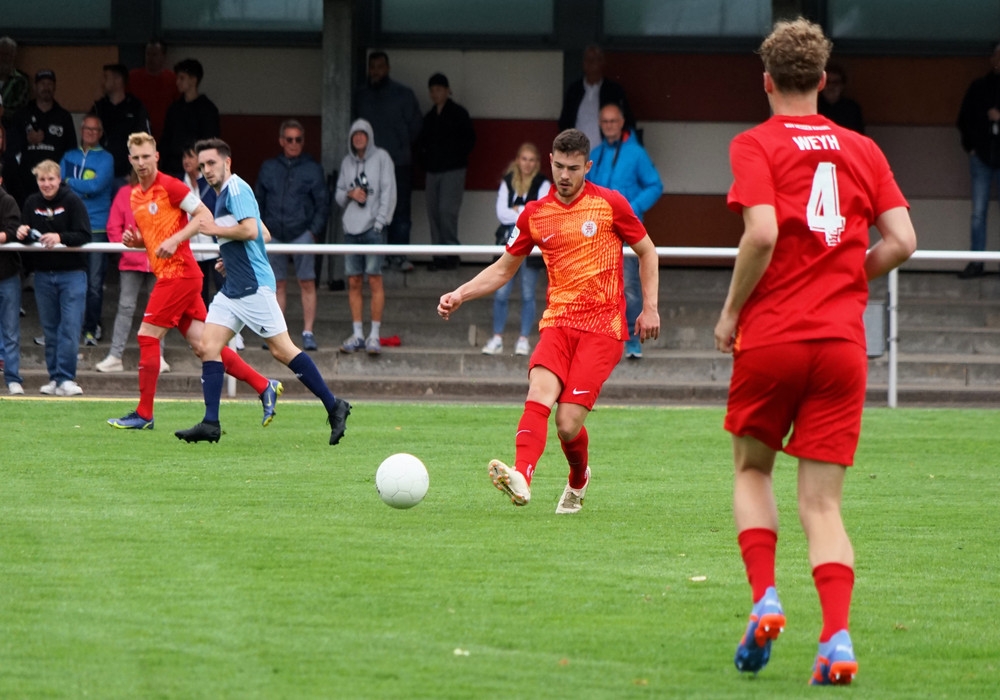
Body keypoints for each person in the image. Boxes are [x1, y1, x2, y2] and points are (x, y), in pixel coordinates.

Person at [713, 18, 917, 686]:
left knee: (752, 471)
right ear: (824, 81)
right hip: (840, 345)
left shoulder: (755, 143)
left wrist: (731, 311)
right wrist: (850, 275)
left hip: (773, 337)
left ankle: (766, 598)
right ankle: (835, 638)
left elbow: (762, 234)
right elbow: (903, 240)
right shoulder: (862, 148)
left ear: (766, 82)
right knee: (824, 505)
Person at [437, 129, 660, 514]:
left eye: (574, 168)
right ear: (551, 162)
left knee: (567, 424)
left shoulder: (610, 204)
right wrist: (460, 293)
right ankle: (522, 475)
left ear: (588, 167)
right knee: (539, 392)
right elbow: (503, 269)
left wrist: (650, 307)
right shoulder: (535, 214)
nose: (565, 175)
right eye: (559, 167)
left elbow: (647, 251)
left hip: (603, 328)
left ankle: (578, 477)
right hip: (557, 323)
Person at [174, 138, 352, 446]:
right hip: (234, 287)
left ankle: (334, 405)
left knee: (282, 350)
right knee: (207, 346)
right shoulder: (224, 193)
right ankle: (211, 423)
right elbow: (263, 233)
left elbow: (252, 231)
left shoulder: (236, 189)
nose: (206, 170)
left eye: (212, 163)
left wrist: (216, 232)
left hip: (254, 286)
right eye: (202, 166)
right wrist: (230, 256)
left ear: (227, 162)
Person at [106, 132, 277, 431]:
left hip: (179, 275)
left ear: (156, 156)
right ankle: (264, 385)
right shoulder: (135, 196)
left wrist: (177, 239)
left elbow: (203, 215)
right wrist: (138, 242)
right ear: (130, 159)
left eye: (147, 156)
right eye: (136, 158)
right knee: (203, 346)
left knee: (147, 335)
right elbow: (155, 237)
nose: (142, 162)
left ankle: (144, 414)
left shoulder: (171, 186)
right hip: (175, 276)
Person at [588, 102, 663, 359]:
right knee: (598, 285)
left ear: (621, 123)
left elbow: (655, 185)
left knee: (629, 286)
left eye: (613, 121)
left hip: (627, 231)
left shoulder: (636, 153)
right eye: (605, 121)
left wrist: (632, 208)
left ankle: (632, 341)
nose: (609, 126)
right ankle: (602, 337)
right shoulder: (595, 154)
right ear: (600, 124)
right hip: (597, 232)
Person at [15, 160, 91, 396]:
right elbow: (26, 234)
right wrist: (22, 233)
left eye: (51, 179)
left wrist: (60, 237)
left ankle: (67, 378)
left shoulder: (72, 201)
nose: (46, 184)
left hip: (72, 274)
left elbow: (84, 235)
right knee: (50, 330)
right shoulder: (31, 202)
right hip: (43, 275)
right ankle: (55, 378)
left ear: (59, 179)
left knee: (69, 327)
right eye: (42, 180)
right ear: (37, 181)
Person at [255, 119, 330, 350]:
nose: (294, 143)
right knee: (276, 284)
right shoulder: (269, 167)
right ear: (281, 141)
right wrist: (261, 229)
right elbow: (258, 200)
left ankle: (308, 332)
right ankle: (276, 334)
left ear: (303, 141)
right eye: (289, 139)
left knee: (307, 282)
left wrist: (313, 232)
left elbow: (323, 203)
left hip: (302, 234)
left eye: (298, 139)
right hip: (273, 234)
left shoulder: (312, 168)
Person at [95, 174, 169, 374]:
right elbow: (113, 227)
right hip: (130, 262)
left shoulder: (163, 193)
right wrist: (127, 251)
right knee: (125, 308)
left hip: (158, 261)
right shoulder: (124, 193)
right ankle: (115, 356)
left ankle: (158, 357)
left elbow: (172, 225)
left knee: (158, 311)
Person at [481, 143, 550, 357]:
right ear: (518, 160)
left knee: (528, 293)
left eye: (532, 160)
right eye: (524, 159)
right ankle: (497, 338)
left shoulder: (543, 183)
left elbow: (541, 214)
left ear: (537, 163)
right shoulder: (508, 181)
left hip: (532, 243)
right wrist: (525, 212)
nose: (527, 164)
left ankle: (523, 339)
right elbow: (501, 214)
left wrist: (517, 210)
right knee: (501, 291)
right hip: (507, 242)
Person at [355, 51, 422, 272]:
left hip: (399, 163)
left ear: (388, 68)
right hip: (369, 165)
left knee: (400, 210)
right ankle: (378, 257)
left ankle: (399, 256)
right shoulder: (361, 95)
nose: (375, 71)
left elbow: (416, 127)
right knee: (373, 209)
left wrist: (400, 146)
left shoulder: (403, 94)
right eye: (372, 67)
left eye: (380, 66)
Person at [334, 119, 396, 356]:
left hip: (373, 229)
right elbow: (338, 196)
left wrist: (380, 223)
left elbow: (389, 192)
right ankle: (358, 334)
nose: (359, 138)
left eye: (363, 134)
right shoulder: (346, 162)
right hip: (351, 230)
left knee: (375, 280)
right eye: (355, 135)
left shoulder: (382, 158)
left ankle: (374, 335)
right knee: (354, 281)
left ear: (369, 137)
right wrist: (350, 193)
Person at [61, 115, 115, 347]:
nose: (91, 132)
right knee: (68, 280)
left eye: (95, 129)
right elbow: (58, 184)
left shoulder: (107, 158)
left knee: (93, 284)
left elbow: (95, 186)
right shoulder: (68, 155)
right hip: (70, 225)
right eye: (87, 128)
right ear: (81, 130)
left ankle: (91, 329)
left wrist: (70, 182)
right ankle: (67, 329)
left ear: (101, 133)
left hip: (96, 227)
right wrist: (75, 186)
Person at [418, 73, 476, 271]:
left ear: (447, 90)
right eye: (432, 90)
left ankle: (451, 253)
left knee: (446, 212)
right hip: (432, 171)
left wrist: (455, 156)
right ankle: (438, 255)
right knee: (434, 213)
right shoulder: (429, 117)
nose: (435, 94)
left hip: (453, 170)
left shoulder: (458, 113)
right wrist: (426, 162)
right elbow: (422, 144)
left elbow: (470, 140)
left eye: (439, 89)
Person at [957, 41, 1000, 279]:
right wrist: (971, 147)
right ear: (992, 60)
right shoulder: (980, 87)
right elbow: (964, 119)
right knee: (978, 213)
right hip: (981, 157)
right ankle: (977, 262)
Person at [11, 70, 77, 201]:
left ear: (55, 87)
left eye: (49, 84)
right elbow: (10, 146)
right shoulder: (22, 114)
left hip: (55, 184)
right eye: (42, 84)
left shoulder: (64, 116)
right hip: (26, 183)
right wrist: (27, 139)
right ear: (35, 87)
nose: (46, 87)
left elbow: (71, 150)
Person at [558, 45, 637, 152]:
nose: (590, 63)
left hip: (607, 154)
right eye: (587, 59)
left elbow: (628, 122)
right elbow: (564, 123)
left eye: (594, 59)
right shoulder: (574, 90)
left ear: (602, 63)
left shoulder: (613, 91)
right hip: (578, 154)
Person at [90, 63, 151, 183]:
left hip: (126, 175)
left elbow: (146, 141)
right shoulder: (98, 108)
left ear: (118, 80)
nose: (102, 82)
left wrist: (135, 171)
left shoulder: (136, 107)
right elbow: (88, 139)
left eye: (106, 77)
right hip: (99, 175)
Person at [159, 58, 220, 177]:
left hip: (196, 169)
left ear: (193, 80)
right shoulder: (174, 108)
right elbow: (166, 138)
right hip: (172, 168)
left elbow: (210, 142)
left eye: (182, 78)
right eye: (177, 78)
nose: (177, 82)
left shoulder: (207, 110)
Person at [181, 142, 221, 308]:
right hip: (191, 247)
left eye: (190, 156)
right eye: (184, 157)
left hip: (213, 244)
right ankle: (203, 322)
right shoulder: (179, 183)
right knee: (198, 292)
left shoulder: (210, 182)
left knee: (222, 287)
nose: (186, 160)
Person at [0, 162, 23, 394]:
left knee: (10, 331)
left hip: (7, 275)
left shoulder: (7, 201)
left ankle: (13, 378)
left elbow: (13, 230)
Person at [129, 39, 179, 140]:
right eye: (148, 54)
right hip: (138, 133)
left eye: (154, 55)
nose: (150, 58)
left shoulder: (172, 79)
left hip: (165, 135)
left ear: (163, 56)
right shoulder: (132, 77)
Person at [817, 64, 864, 134]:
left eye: (835, 83)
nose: (831, 87)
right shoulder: (815, 106)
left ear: (842, 85)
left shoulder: (852, 108)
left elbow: (858, 134)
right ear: (821, 84)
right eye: (827, 82)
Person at [0, 37, 29, 132]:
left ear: (14, 56)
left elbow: (19, 111)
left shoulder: (21, 80)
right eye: (1, 54)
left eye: (8, 54)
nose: (4, 58)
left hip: (10, 130)